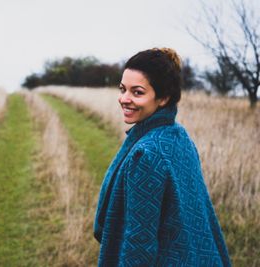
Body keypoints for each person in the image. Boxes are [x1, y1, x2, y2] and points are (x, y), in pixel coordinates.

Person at [93, 48, 231, 266]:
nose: (124, 99)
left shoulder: (146, 154)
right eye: (122, 89)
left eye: (137, 92)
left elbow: (139, 245)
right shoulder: (178, 136)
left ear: (164, 97)